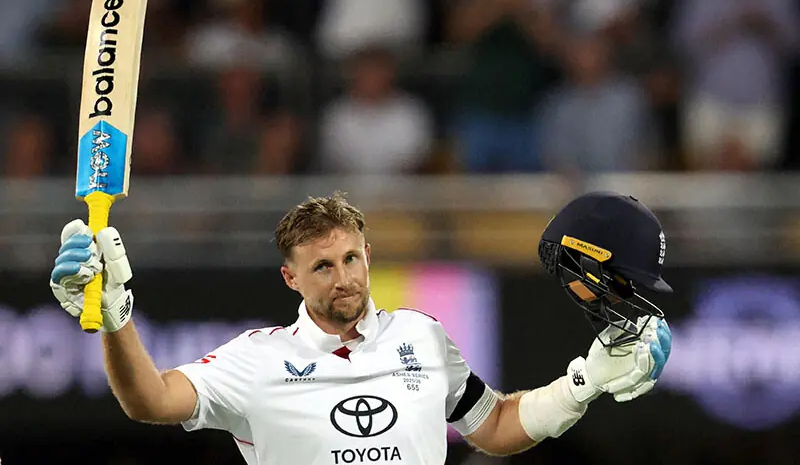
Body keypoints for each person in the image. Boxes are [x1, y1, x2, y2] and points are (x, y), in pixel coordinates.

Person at [49, 190, 672, 464]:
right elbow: (150, 400)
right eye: (322, 267)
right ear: (291, 278)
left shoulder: (422, 336)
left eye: (351, 259)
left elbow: (494, 427)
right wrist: (114, 318)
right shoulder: (255, 360)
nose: (343, 278)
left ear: (368, 255)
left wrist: (583, 385)